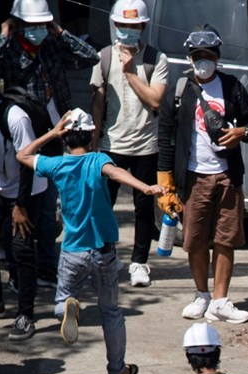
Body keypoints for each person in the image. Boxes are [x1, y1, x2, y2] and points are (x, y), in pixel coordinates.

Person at [17, 108, 155, 374]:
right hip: (102, 250)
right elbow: (115, 174)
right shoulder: (97, 160)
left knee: (62, 300)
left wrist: (52, 133)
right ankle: (117, 370)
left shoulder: (57, 165)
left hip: (72, 251)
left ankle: (67, 309)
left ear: (66, 138)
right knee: (111, 312)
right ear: (92, 136)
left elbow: (23, 155)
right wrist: (145, 188)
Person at [157, 26, 248, 324]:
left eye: (208, 55)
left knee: (226, 238)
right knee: (196, 239)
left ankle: (220, 300)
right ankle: (201, 295)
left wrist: (243, 132)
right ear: (190, 59)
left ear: (217, 57)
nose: (203, 61)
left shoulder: (231, 87)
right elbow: (165, 136)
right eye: (197, 56)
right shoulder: (179, 91)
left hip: (227, 175)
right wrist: (166, 182)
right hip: (193, 177)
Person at [0, 0, 99, 287]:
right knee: (19, 205)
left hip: (56, 136)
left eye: (42, 25)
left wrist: (60, 33)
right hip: (23, 137)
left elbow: (90, 56)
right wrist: (5, 34)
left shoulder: (53, 46)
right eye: (32, 26)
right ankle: (19, 271)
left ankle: (46, 268)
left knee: (47, 206)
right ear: (19, 25)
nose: (37, 31)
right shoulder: (10, 52)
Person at [90, 0, 168, 287]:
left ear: (143, 26)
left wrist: (131, 72)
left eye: (134, 26)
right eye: (123, 25)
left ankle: (139, 263)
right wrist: (94, 139)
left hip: (146, 145)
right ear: (115, 25)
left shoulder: (156, 59)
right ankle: (107, 254)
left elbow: (155, 100)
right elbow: (98, 101)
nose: (128, 30)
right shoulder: (104, 57)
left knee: (144, 207)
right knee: (103, 205)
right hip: (111, 144)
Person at [0, 84, 48, 341]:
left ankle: (25, 315)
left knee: (22, 247)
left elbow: (28, 163)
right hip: (1, 186)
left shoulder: (15, 118)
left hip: (27, 189)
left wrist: (20, 206)